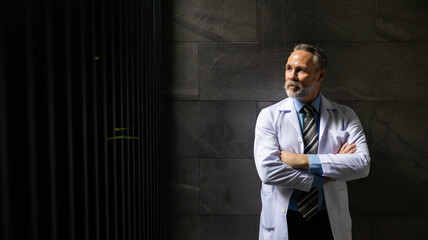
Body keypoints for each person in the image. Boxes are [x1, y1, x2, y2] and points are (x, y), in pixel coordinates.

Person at [254, 44, 370, 240]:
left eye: (301, 70)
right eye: (289, 68)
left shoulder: (345, 116)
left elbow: (362, 165)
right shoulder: (269, 116)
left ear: (320, 75)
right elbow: (268, 171)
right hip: (285, 218)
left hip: (327, 220)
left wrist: (300, 160)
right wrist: (324, 177)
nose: (291, 76)